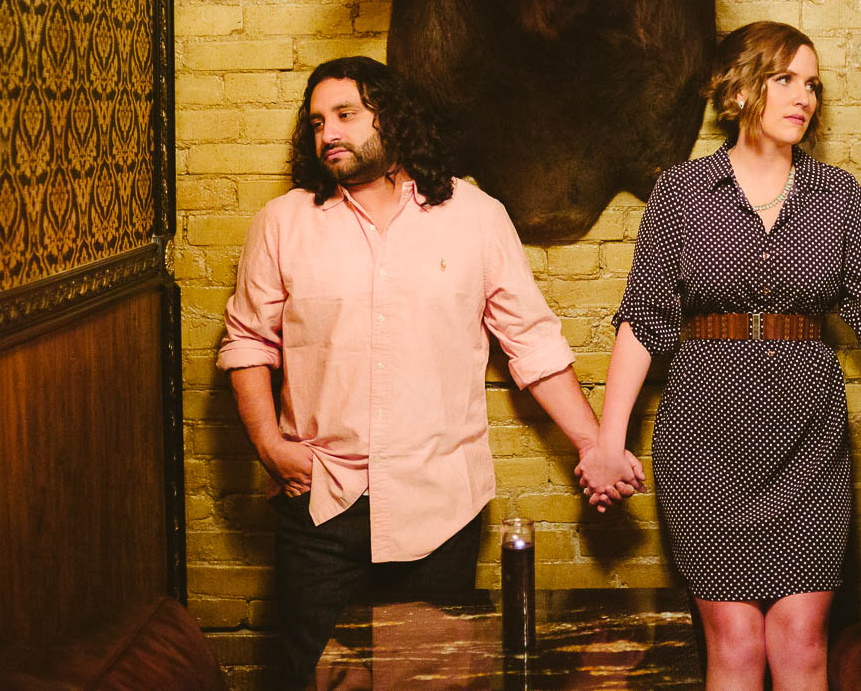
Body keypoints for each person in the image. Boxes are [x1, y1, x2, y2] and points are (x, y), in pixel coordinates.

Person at [577, 22, 861, 691]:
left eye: (813, 84)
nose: (804, 97)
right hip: (705, 448)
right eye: (785, 79)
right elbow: (644, 321)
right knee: (734, 645)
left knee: (800, 643)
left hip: (807, 453)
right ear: (739, 89)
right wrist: (608, 442)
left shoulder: (837, 196)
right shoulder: (682, 193)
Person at [219, 56, 641, 689]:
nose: (328, 133)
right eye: (316, 122)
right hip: (321, 507)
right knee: (316, 681)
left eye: (345, 115)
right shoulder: (283, 225)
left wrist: (593, 445)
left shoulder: (474, 216)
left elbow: (531, 342)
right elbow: (249, 342)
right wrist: (268, 446)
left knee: (433, 682)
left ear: (393, 118)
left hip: (439, 508)